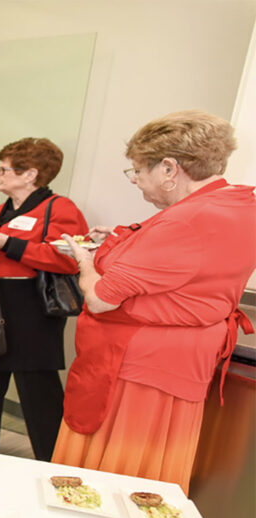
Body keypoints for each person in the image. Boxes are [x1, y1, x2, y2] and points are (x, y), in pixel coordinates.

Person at [52, 110, 256, 494]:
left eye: (136, 173)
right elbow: (185, 270)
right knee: (153, 478)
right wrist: (122, 240)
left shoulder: (184, 222)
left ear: (168, 168)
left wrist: (87, 262)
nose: (137, 183)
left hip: (136, 372)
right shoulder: (242, 206)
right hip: (186, 363)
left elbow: (99, 299)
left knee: (110, 480)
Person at [0, 138, 88, 461]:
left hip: (31, 309)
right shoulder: (0, 210)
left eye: (4, 169)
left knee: (37, 386)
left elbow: (70, 258)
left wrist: (9, 244)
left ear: (31, 174)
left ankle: (54, 456)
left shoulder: (60, 208)